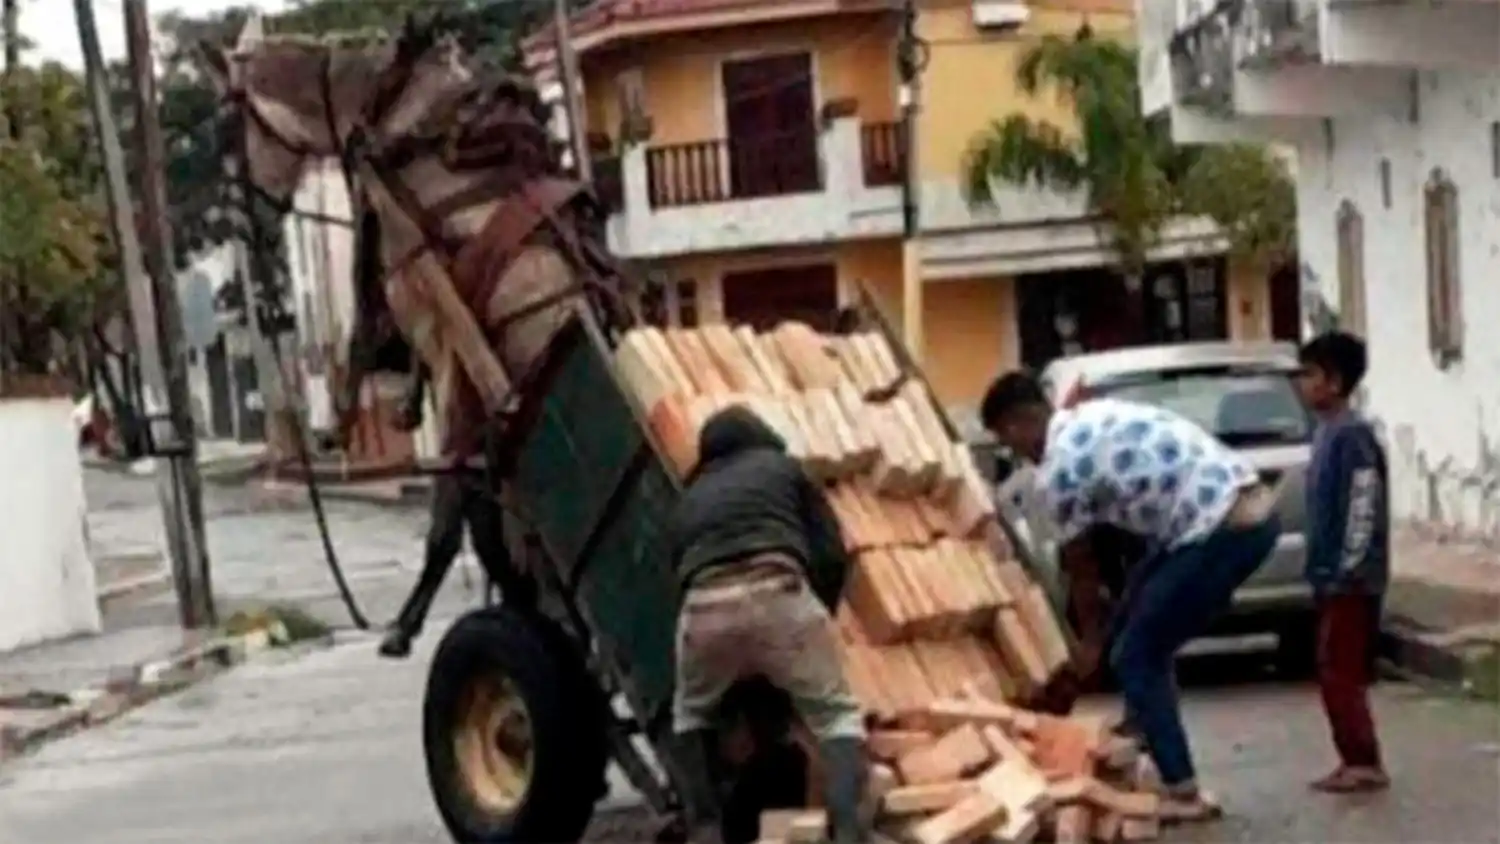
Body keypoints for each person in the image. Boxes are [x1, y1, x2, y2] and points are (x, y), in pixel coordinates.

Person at [980, 371, 1279, 821]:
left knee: (1136, 656)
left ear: (1017, 423)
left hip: (1222, 526)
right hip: (1230, 509)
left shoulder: (1059, 468)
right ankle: (1138, 740)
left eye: (1007, 441)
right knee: (1136, 614)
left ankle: (1183, 791)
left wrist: (1089, 647)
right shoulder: (1087, 417)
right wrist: (1102, 634)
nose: (1015, 453)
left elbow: (1082, 570)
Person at [666, 406, 867, 844]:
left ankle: (705, 827)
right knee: (837, 716)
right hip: (777, 589)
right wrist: (816, 618)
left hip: (703, 605)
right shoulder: (785, 470)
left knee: (689, 716)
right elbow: (832, 554)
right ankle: (849, 831)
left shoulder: (688, 498)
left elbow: (676, 576)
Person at [377, 378, 537, 659]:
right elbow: (412, 413)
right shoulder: (432, 357)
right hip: (461, 460)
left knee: (481, 546)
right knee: (457, 543)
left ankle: (525, 616)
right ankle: (408, 624)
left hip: (479, 458)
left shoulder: (466, 356)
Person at [1294, 331, 1390, 793]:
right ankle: (1352, 755)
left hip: (1349, 578)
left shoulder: (1351, 435)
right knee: (1333, 665)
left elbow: (1362, 503)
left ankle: (1362, 759)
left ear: (1334, 382)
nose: (1302, 383)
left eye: (1310, 374)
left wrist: (1349, 567)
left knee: (1340, 668)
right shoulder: (1326, 433)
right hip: (1330, 573)